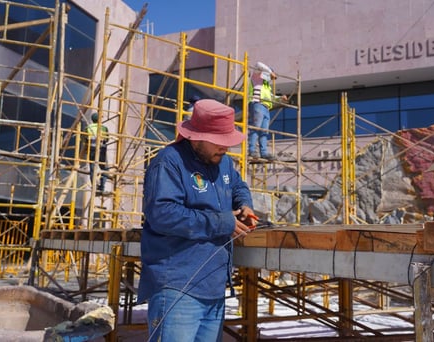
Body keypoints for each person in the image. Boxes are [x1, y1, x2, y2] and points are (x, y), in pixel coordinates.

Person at [138, 99, 258, 342]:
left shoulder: (222, 161)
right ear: (196, 137)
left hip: (213, 286)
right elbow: (162, 214)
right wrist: (222, 223)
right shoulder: (169, 162)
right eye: (219, 142)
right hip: (178, 285)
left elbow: (238, 186)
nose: (225, 148)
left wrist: (245, 204)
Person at [248, 61, 288, 160]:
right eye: (269, 76)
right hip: (257, 104)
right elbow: (257, 64)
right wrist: (270, 71)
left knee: (264, 131)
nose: (270, 78)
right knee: (256, 128)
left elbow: (270, 97)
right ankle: (252, 150)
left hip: (265, 107)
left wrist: (280, 98)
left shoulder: (266, 86)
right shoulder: (256, 77)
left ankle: (264, 152)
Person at [85, 112, 109, 193]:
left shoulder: (88, 127)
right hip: (101, 150)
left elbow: (84, 138)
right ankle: (102, 187)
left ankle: (94, 186)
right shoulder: (103, 128)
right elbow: (107, 139)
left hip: (91, 149)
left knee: (92, 169)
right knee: (105, 169)